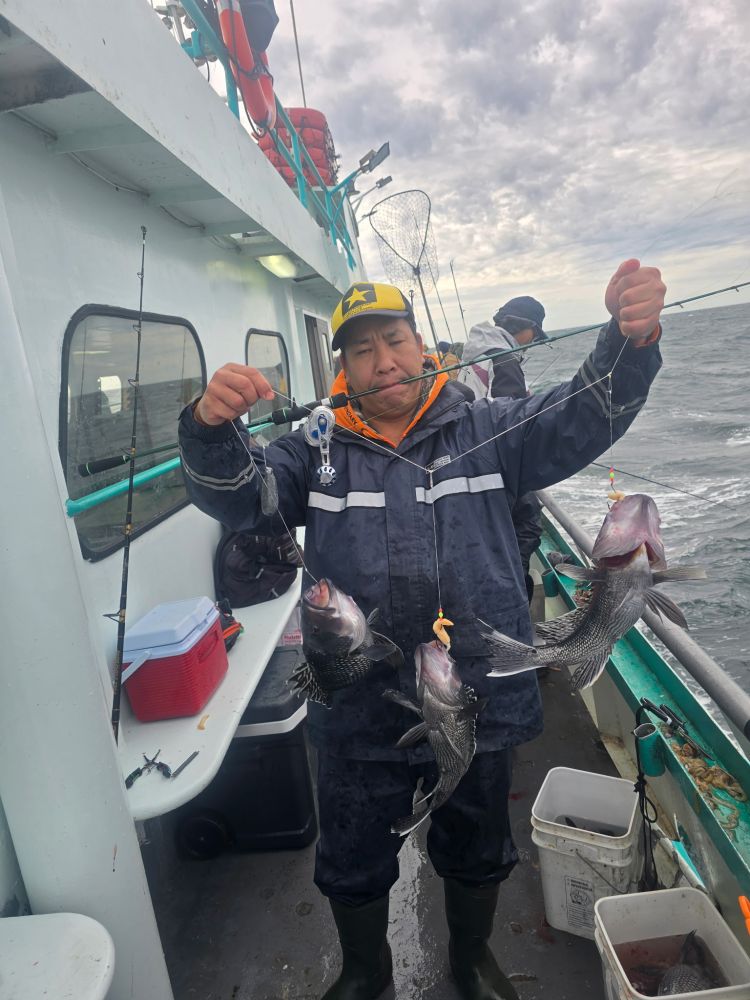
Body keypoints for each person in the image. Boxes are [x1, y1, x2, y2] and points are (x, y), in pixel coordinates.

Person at [178, 260, 665, 1000]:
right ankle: (365, 971)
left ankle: (470, 960)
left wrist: (629, 344)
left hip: (478, 691)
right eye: (364, 350)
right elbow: (245, 498)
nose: (385, 361)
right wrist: (210, 431)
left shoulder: (490, 427)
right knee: (350, 852)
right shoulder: (314, 449)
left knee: (476, 841)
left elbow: (582, 416)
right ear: (341, 366)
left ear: (424, 347)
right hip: (357, 701)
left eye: (396, 339)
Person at [458, 296, 548, 602]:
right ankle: (512, 599)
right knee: (527, 526)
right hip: (495, 464)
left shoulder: (476, 348)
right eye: (535, 335)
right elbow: (512, 426)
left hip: (468, 454)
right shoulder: (505, 358)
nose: (533, 342)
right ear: (525, 328)